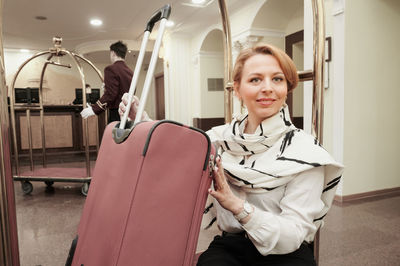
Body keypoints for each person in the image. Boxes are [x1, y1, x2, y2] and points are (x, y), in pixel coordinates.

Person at [118, 43, 344, 266]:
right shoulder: (221, 138)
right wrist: (143, 121)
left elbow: (293, 235)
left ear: (287, 87)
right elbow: (178, 152)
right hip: (233, 246)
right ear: (237, 89)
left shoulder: (305, 153)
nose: (267, 88)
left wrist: (238, 206)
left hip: (286, 252)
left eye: (277, 79)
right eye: (255, 79)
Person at [81, 41, 133, 123]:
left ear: (113, 53)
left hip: (116, 113)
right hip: (129, 112)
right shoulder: (130, 71)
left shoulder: (111, 69)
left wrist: (94, 109)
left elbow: (111, 94)